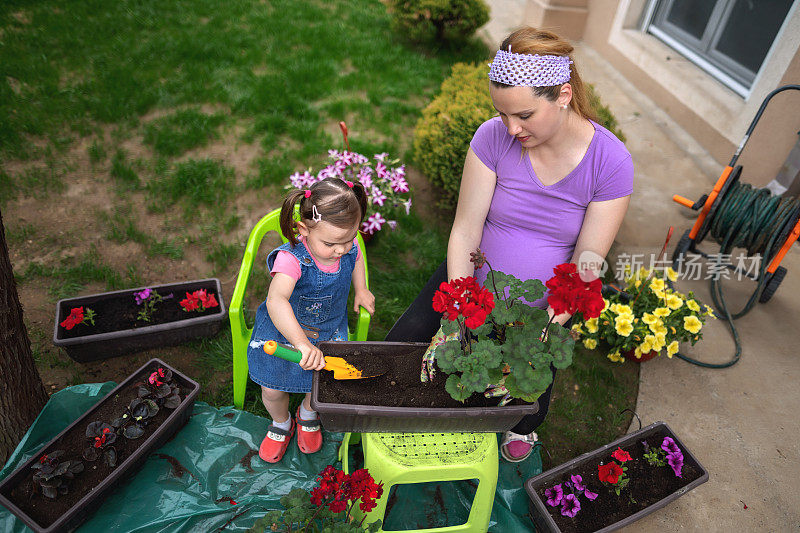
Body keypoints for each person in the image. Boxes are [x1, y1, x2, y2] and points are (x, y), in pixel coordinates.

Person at [385, 27, 633, 462]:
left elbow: (588, 259)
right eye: (502, 115)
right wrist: (462, 300)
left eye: (523, 115)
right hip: (470, 285)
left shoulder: (610, 162)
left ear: (563, 95)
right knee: (398, 350)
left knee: (523, 396)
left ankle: (523, 426)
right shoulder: (491, 138)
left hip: (539, 305)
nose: (511, 128)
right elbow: (465, 229)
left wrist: (553, 319)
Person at [247, 177, 375, 463]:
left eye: (348, 239)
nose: (341, 249)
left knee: (322, 381)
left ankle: (307, 412)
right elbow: (276, 301)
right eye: (331, 243)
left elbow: (356, 258)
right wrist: (302, 344)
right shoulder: (291, 260)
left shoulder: (346, 246)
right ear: (303, 229)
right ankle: (281, 422)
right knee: (272, 386)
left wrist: (361, 288)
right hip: (285, 334)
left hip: (328, 328)